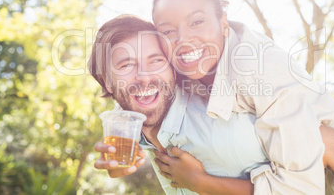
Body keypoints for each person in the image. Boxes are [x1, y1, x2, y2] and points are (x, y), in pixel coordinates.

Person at [150, 0, 334, 194]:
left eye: (196, 22)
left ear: (224, 22)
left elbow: (300, 189)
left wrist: (201, 182)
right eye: (168, 32)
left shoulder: (261, 69)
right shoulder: (177, 66)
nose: (183, 40)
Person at [90, 14, 270, 194]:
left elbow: (293, 187)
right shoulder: (134, 128)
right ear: (107, 82)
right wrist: (116, 164)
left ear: (173, 71)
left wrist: (201, 182)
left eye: (156, 60)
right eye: (126, 65)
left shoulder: (223, 122)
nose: (144, 77)